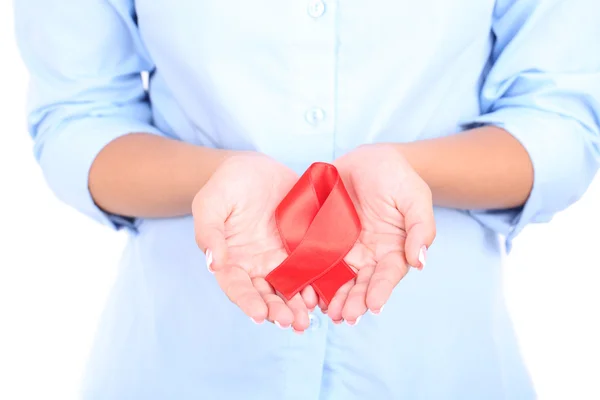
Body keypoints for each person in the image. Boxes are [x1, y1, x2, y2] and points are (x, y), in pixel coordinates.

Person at [14, 1, 600, 399]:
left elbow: (560, 123)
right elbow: (77, 117)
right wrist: (215, 178)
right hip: (182, 365)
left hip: (442, 365)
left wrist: (408, 172)